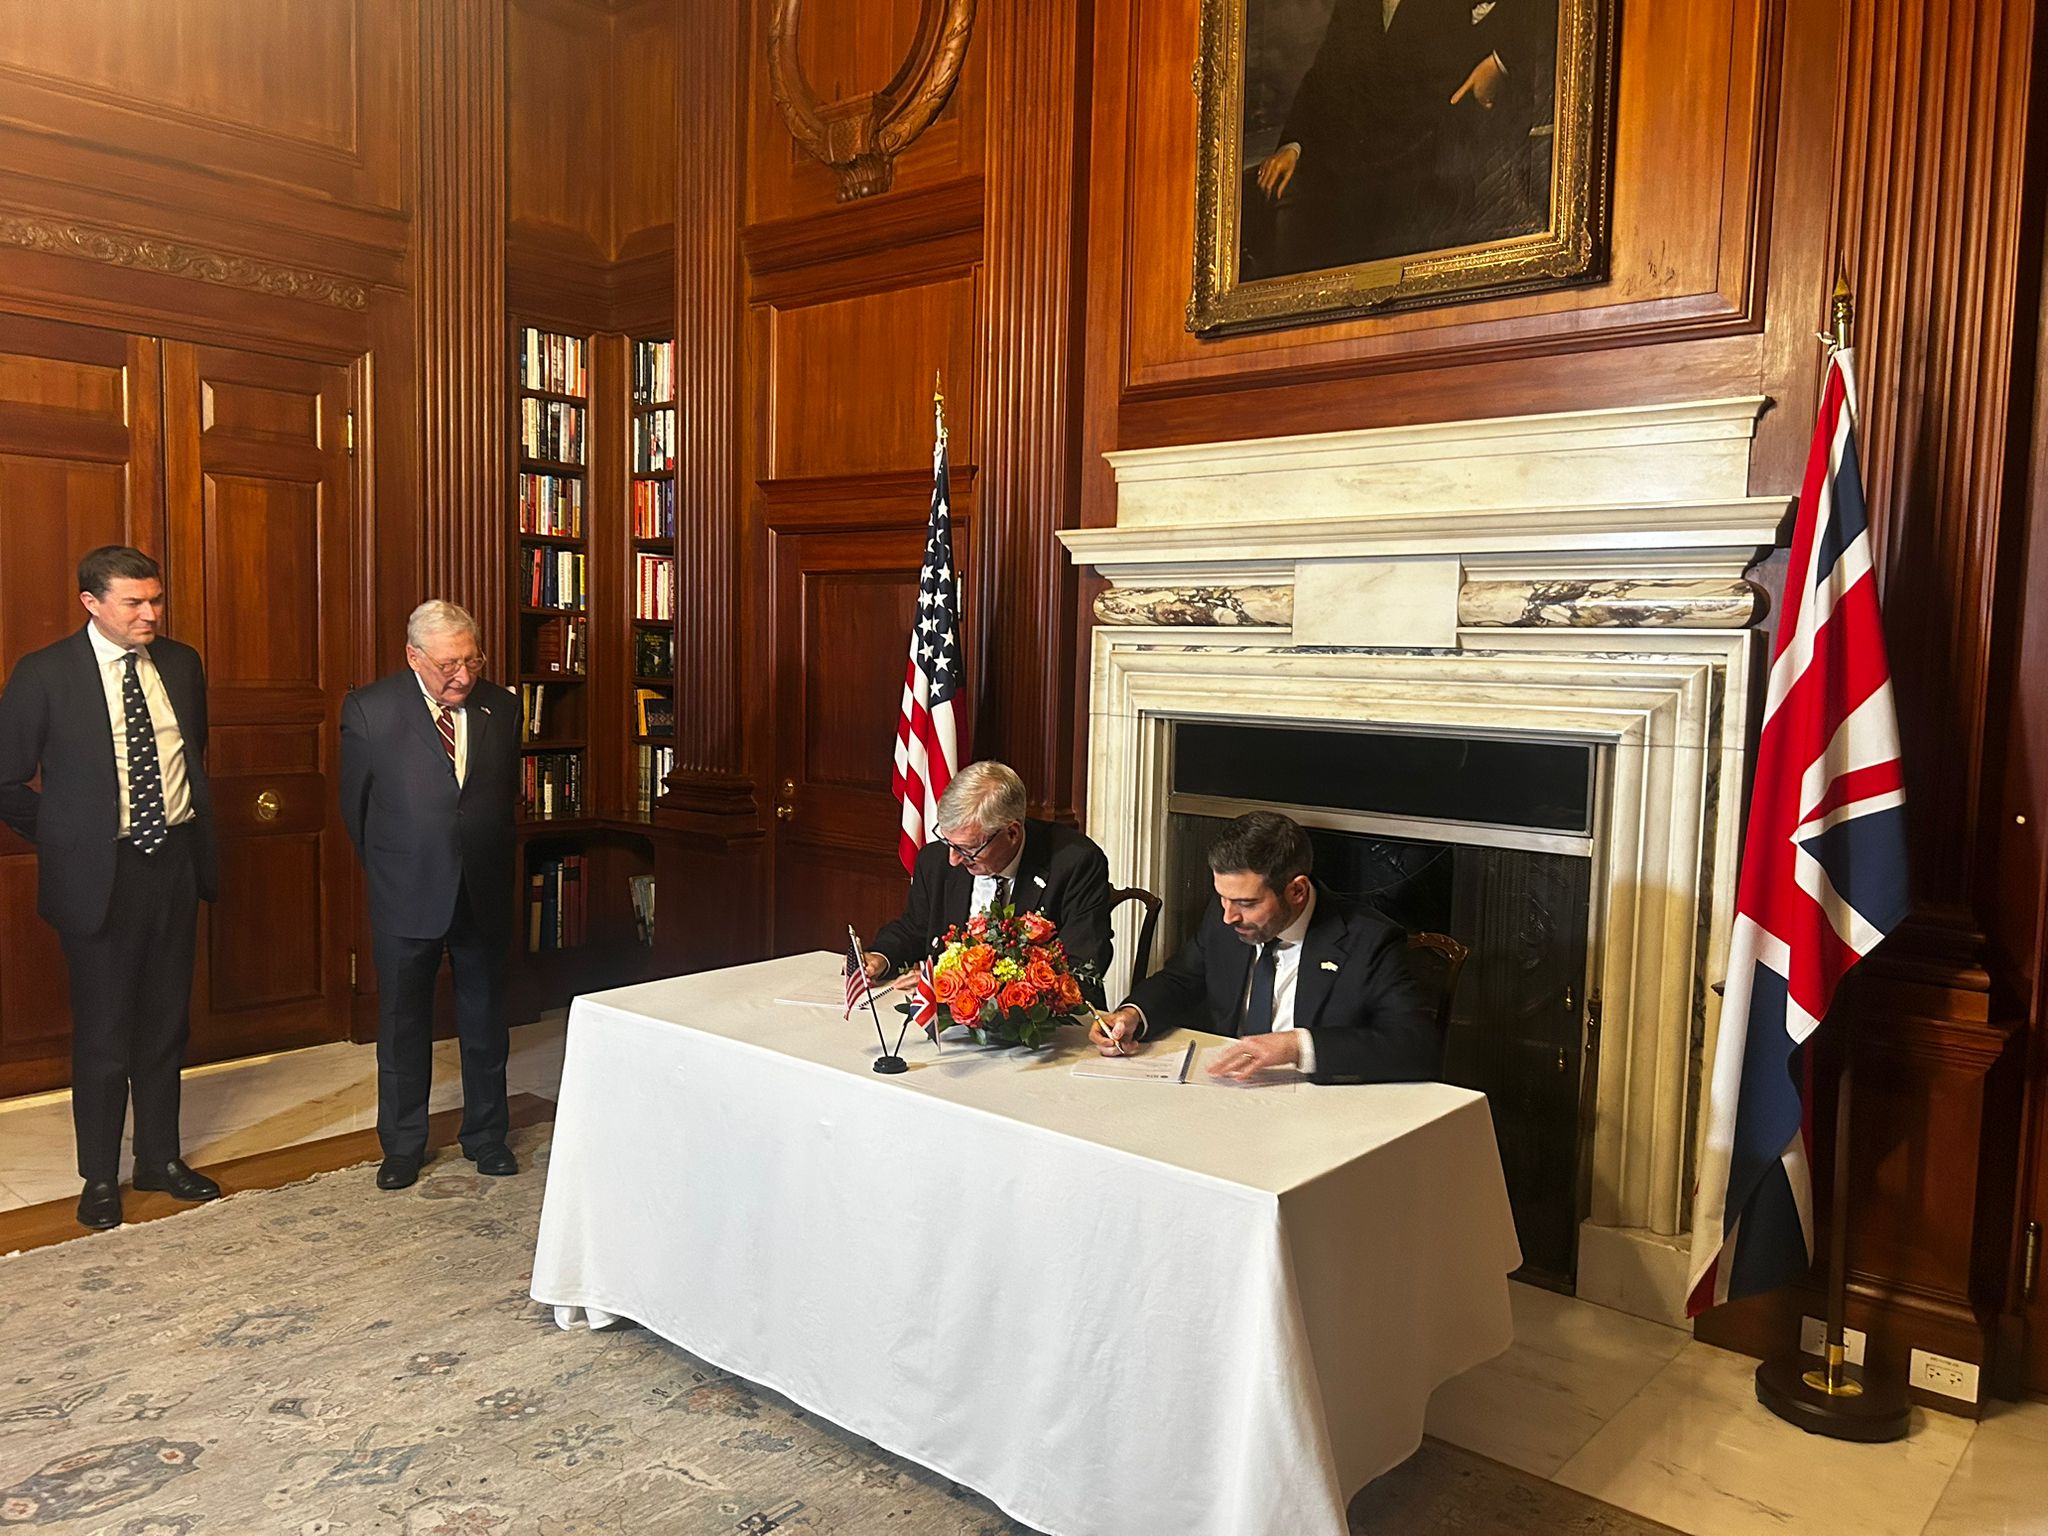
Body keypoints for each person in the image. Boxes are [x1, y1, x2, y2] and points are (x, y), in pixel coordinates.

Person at [0, 545, 222, 1229]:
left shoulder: (182, 664)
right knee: (103, 1033)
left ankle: (160, 1160)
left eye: (156, 599)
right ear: (92, 603)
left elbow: (194, 752)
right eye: (134, 603)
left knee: (165, 1024)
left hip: (174, 864)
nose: (150, 614)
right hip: (99, 875)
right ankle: (100, 1176)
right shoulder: (43, 674)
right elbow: (6, 780)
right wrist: (70, 836)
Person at [340, 600, 519, 1191]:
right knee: (402, 1023)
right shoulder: (370, 710)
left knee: (487, 1017)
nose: (463, 676)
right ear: (413, 657)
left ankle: (487, 1135)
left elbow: (497, 801)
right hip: (406, 890)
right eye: (448, 665)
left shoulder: (503, 706)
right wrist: (393, 872)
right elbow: (356, 810)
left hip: (483, 890)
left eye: (472, 660)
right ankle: (403, 1145)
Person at [1090, 811, 1439, 1084]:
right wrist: (1132, 1016)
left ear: (1297, 891)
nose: (1228, 916)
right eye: (1222, 897)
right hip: (1223, 1091)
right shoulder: (1225, 915)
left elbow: (1413, 1046)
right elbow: (1182, 979)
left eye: (1246, 902)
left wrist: (1295, 1046)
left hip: (1319, 1112)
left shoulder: (1369, 940)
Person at [1250, 0, 1559, 276]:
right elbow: (1325, 74)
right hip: (1365, 155)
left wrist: (1498, 61)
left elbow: (1535, 11)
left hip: (1438, 149)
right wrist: (1294, 145)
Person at [864, 761, 1114, 1007]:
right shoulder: (935, 860)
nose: (953, 859)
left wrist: (962, 987)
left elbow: (1081, 967)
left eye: (968, 849)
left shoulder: (1074, 864)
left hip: (1045, 1034)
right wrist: (881, 957)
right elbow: (916, 928)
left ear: (1012, 833)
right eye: (948, 842)